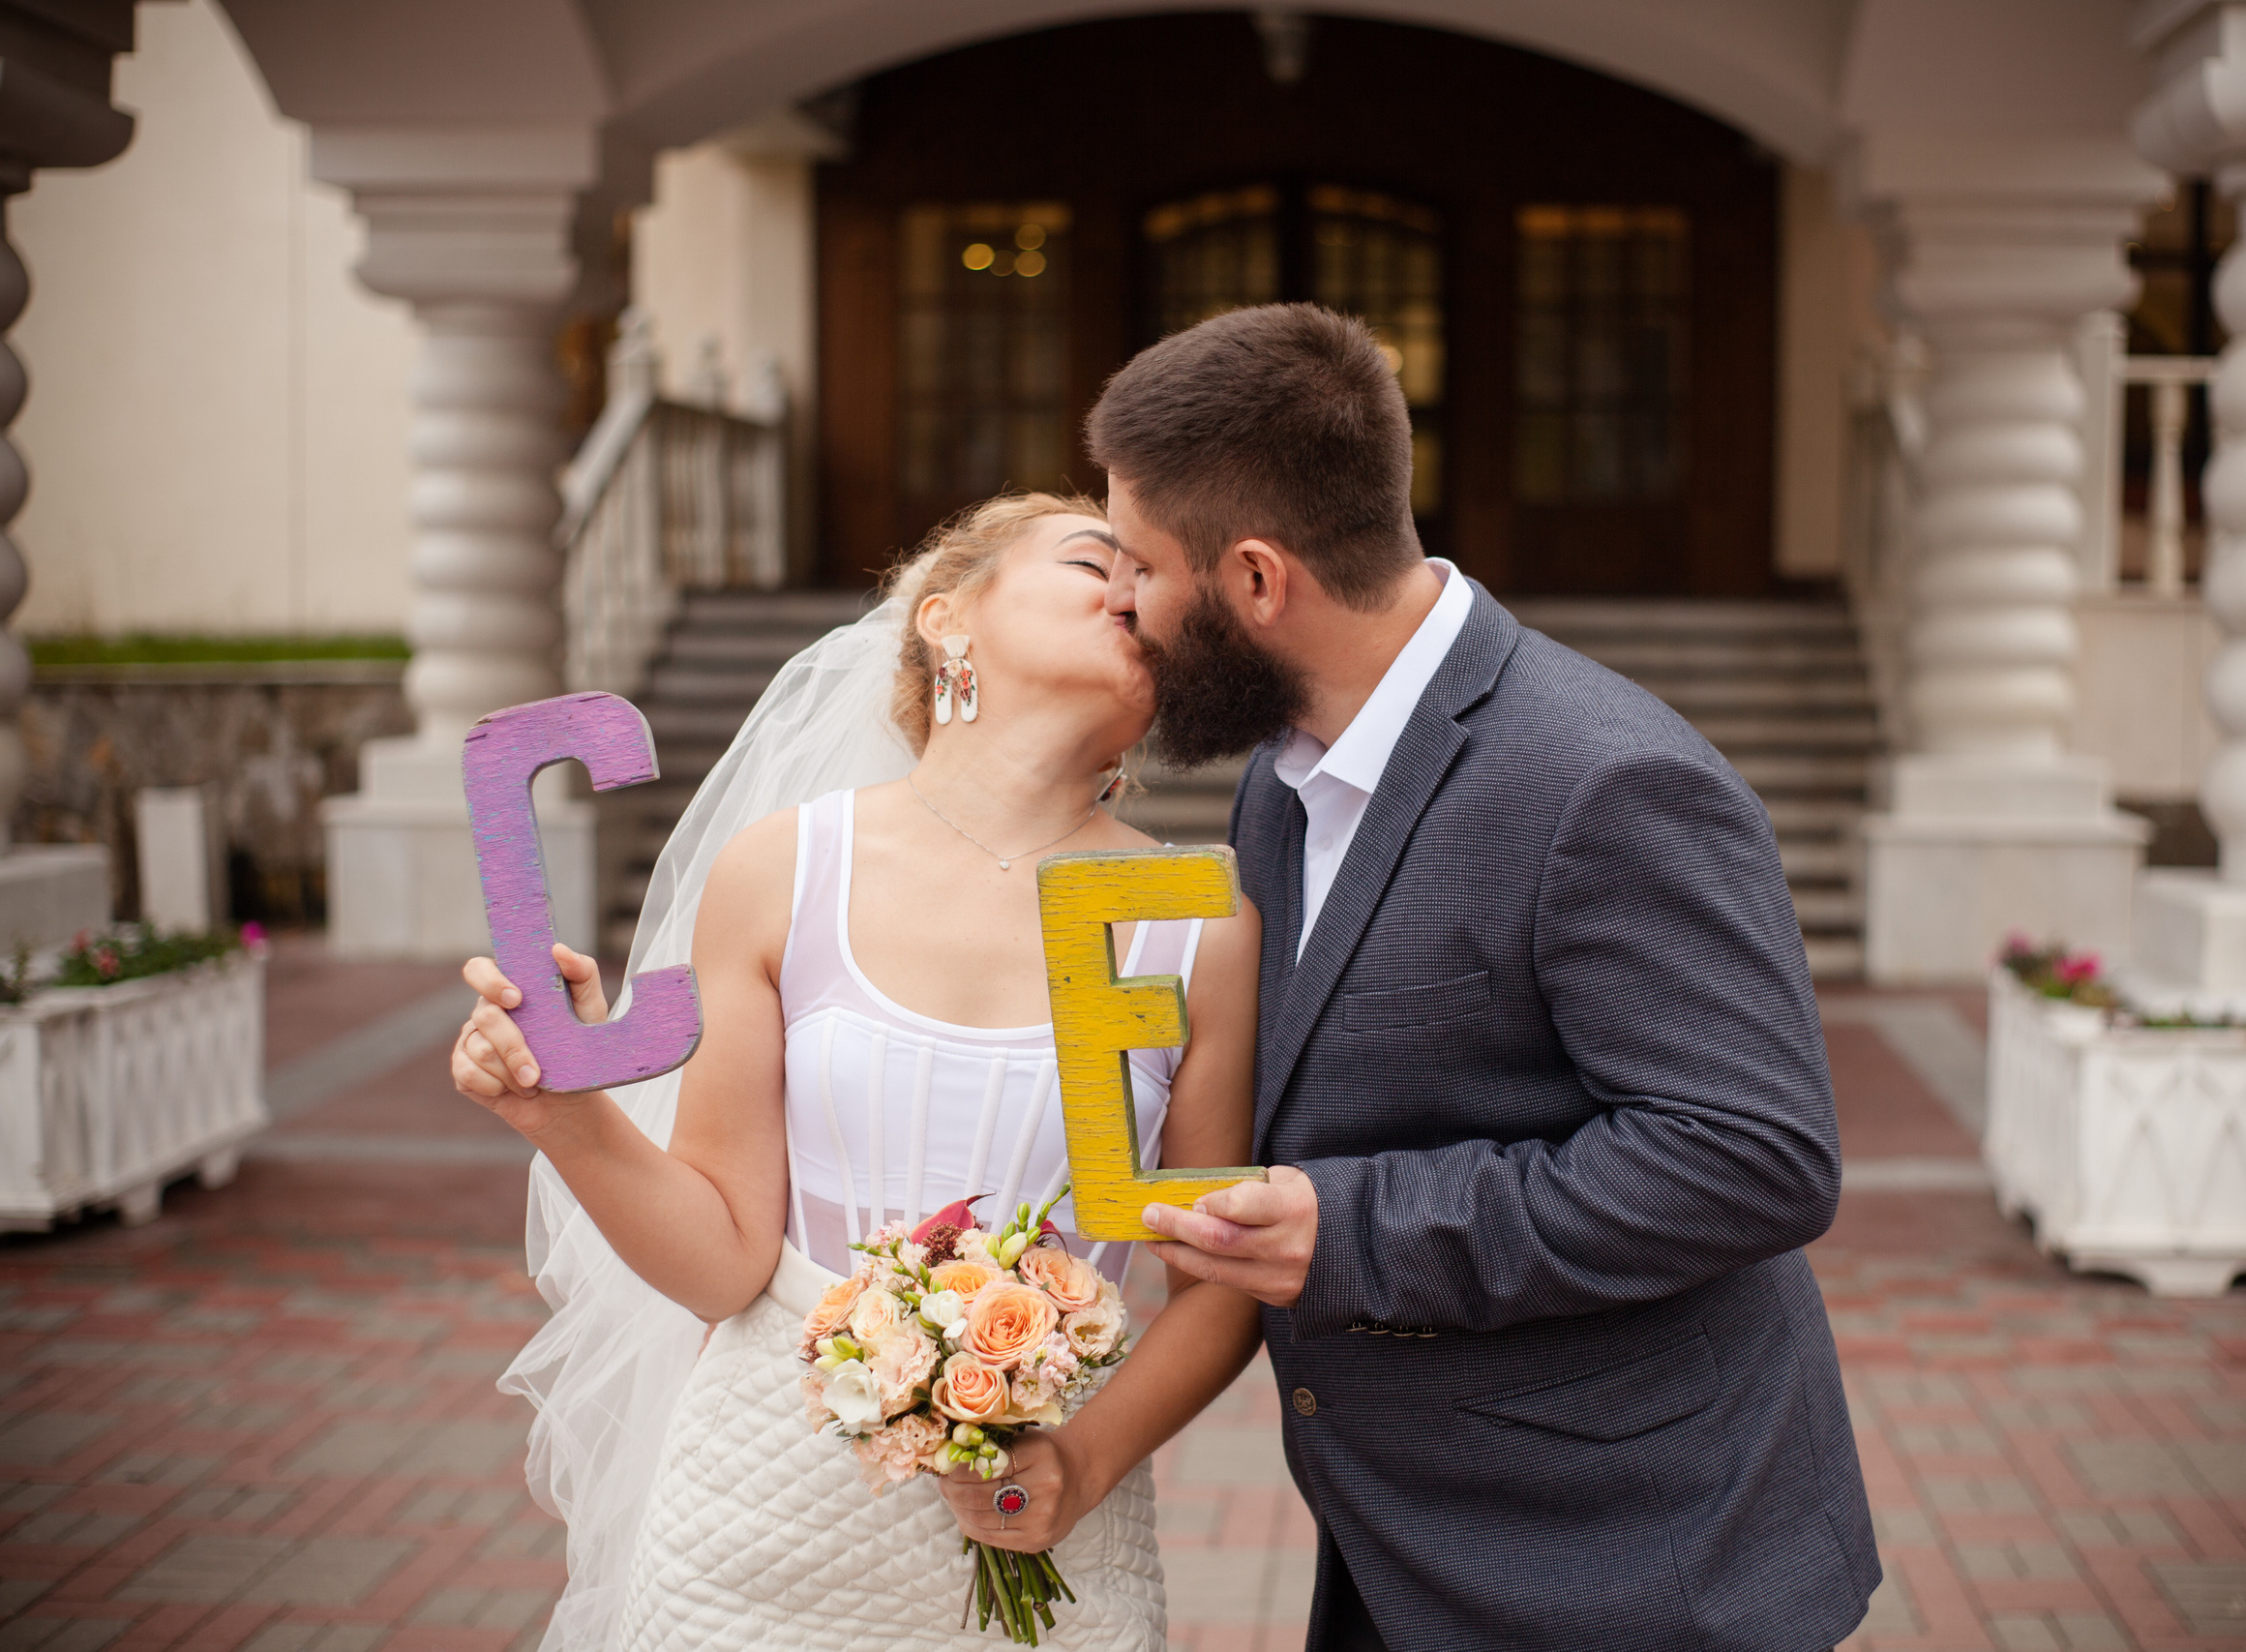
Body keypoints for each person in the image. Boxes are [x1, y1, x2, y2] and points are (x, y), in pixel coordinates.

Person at [1092, 304, 1880, 1651]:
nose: (1123, 603)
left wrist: (1353, 1227)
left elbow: (1753, 1155)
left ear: (1261, 580)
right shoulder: (1281, 780)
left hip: (1628, 1554)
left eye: (1143, 567)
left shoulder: (1606, 780)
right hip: (1405, 1530)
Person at [452, 495, 1264, 1651]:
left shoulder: (1200, 924)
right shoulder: (786, 868)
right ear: (948, 621)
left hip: (1055, 1541)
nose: (1132, 586)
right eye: (1095, 559)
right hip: (760, 1533)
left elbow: (1215, 1283)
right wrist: (561, 1117)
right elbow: (725, 1260)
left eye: (1152, 578)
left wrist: (1073, 1465)